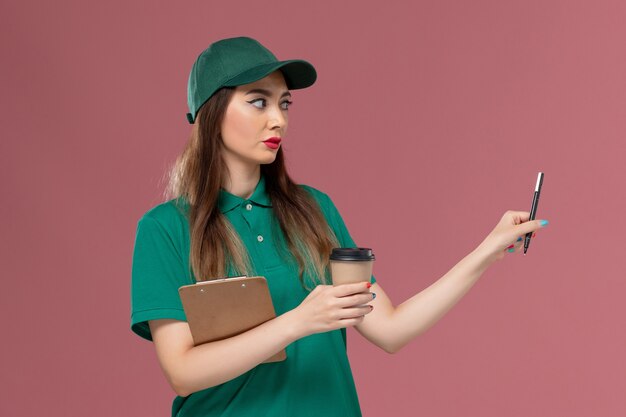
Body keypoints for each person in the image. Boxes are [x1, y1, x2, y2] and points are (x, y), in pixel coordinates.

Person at [130, 36, 548, 417]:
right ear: (212, 112)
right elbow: (181, 371)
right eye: (259, 102)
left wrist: (486, 252)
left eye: (285, 103)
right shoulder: (165, 230)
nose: (278, 119)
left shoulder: (315, 211)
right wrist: (298, 321)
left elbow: (390, 329)